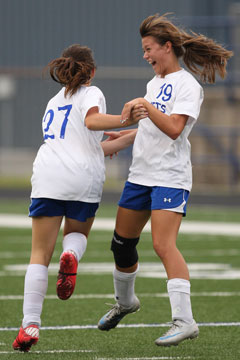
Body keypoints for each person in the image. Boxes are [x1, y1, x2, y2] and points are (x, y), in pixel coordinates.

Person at [97, 14, 233, 346]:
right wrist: (128, 134)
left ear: (166, 47)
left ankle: (185, 320)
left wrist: (144, 106)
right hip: (140, 175)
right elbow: (152, 125)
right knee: (121, 244)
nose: (145, 56)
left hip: (169, 177)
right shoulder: (154, 83)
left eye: (148, 49)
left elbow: (173, 128)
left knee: (162, 244)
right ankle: (126, 302)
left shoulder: (188, 86)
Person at [12, 44, 147, 353]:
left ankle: (30, 325)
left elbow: (88, 143)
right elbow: (92, 122)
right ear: (92, 71)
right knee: (75, 235)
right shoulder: (93, 93)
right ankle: (71, 254)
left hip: (48, 174)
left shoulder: (53, 101)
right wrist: (124, 118)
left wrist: (136, 133)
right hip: (82, 176)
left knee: (38, 254)